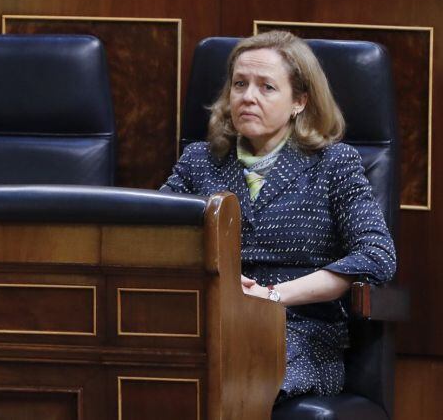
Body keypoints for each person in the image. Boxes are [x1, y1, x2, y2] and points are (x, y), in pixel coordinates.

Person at [161, 30, 396, 401]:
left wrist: (272, 296)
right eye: (240, 84)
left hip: (299, 333)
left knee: (239, 377)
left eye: (266, 87)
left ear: (299, 101)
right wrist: (222, 287)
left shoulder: (334, 164)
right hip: (207, 325)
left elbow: (377, 257)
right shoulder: (199, 162)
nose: (247, 97)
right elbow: (153, 238)